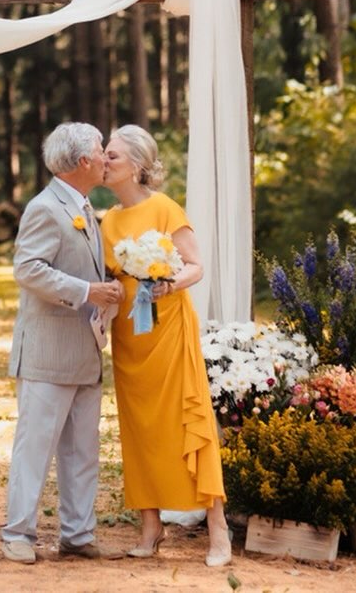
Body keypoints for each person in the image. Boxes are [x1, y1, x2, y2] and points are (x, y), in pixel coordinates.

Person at [99, 124, 231, 567]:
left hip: (170, 332)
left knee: (188, 422)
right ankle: (151, 527)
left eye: (112, 156)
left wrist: (167, 284)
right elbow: (110, 278)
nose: (103, 162)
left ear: (136, 165)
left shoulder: (165, 208)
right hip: (130, 341)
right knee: (140, 431)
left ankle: (217, 530)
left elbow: (195, 266)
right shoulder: (108, 221)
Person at [0, 122, 125, 565]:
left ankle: (77, 533)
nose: (106, 158)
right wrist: (88, 291)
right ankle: (18, 534)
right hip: (48, 351)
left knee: (82, 450)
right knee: (35, 446)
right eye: (99, 150)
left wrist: (106, 287)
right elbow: (28, 270)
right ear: (81, 161)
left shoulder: (86, 207)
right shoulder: (45, 207)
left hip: (85, 350)